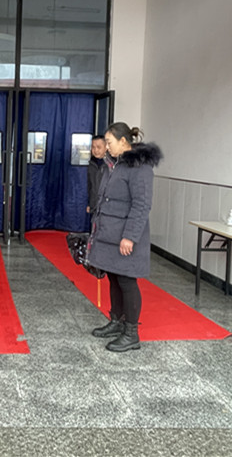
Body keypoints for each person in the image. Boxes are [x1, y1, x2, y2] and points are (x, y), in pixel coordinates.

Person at [87, 122, 162, 352]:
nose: (106, 146)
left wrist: (130, 236)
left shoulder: (140, 167)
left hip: (124, 235)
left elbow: (141, 205)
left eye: (109, 142)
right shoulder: (114, 164)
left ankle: (131, 333)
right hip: (109, 233)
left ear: (123, 141)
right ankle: (116, 321)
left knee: (127, 281)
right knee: (114, 277)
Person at [86, 134, 106, 215]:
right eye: (93, 147)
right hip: (94, 205)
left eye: (99, 147)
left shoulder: (110, 164)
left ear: (106, 147)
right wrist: (89, 203)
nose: (96, 150)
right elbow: (89, 186)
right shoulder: (90, 164)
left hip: (106, 206)